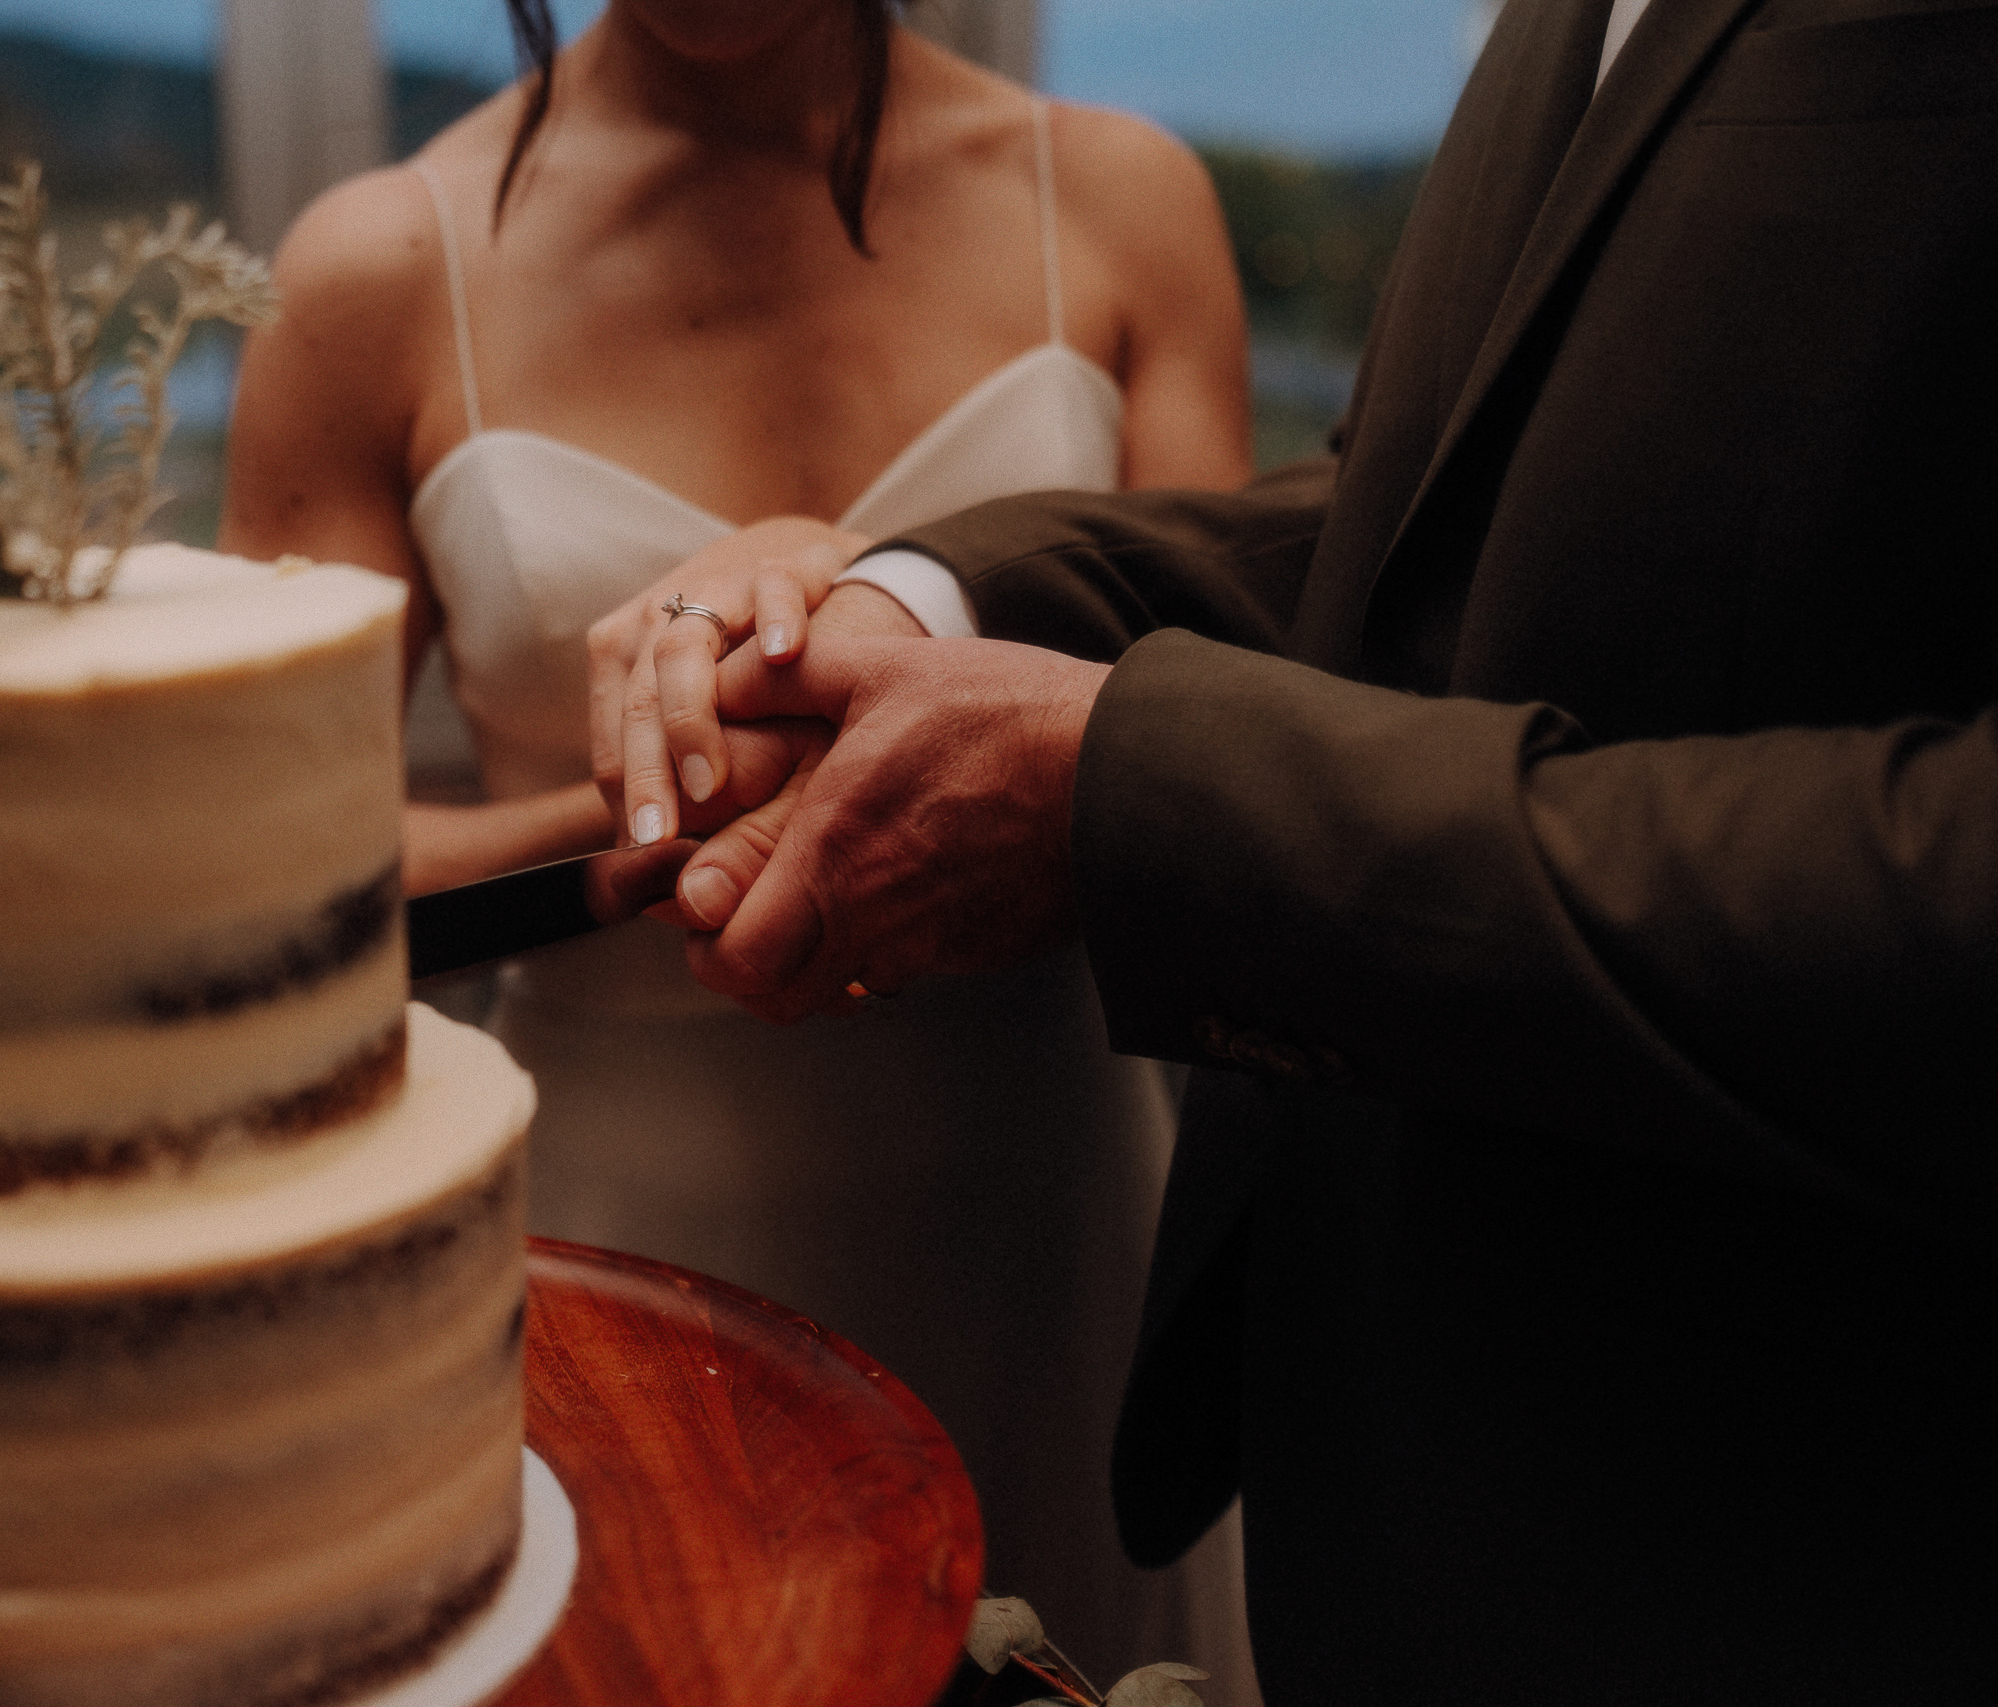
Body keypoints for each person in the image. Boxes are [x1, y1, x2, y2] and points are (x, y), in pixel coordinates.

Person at [595, 0, 1998, 1702]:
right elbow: (1410, 519)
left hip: (1800, 1531)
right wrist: (918, 603)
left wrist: (1142, 786)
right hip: (1403, 1481)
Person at [220, 0, 1260, 1678]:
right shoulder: (375, 273)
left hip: (1048, 1207)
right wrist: (639, 822)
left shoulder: (1119, 201)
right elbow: (261, 857)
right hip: (631, 1224)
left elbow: (1207, 724)